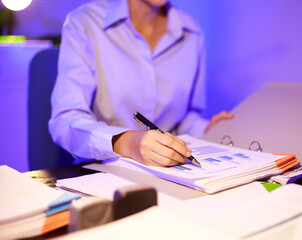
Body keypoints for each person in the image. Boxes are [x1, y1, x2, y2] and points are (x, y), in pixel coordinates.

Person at [49, 0, 233, 167]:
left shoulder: (191, 32)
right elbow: (65, 120)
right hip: (103, 172)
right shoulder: (85, 23)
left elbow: (183, 118)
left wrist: (206, 129)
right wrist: (126, 142)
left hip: (169, 172)